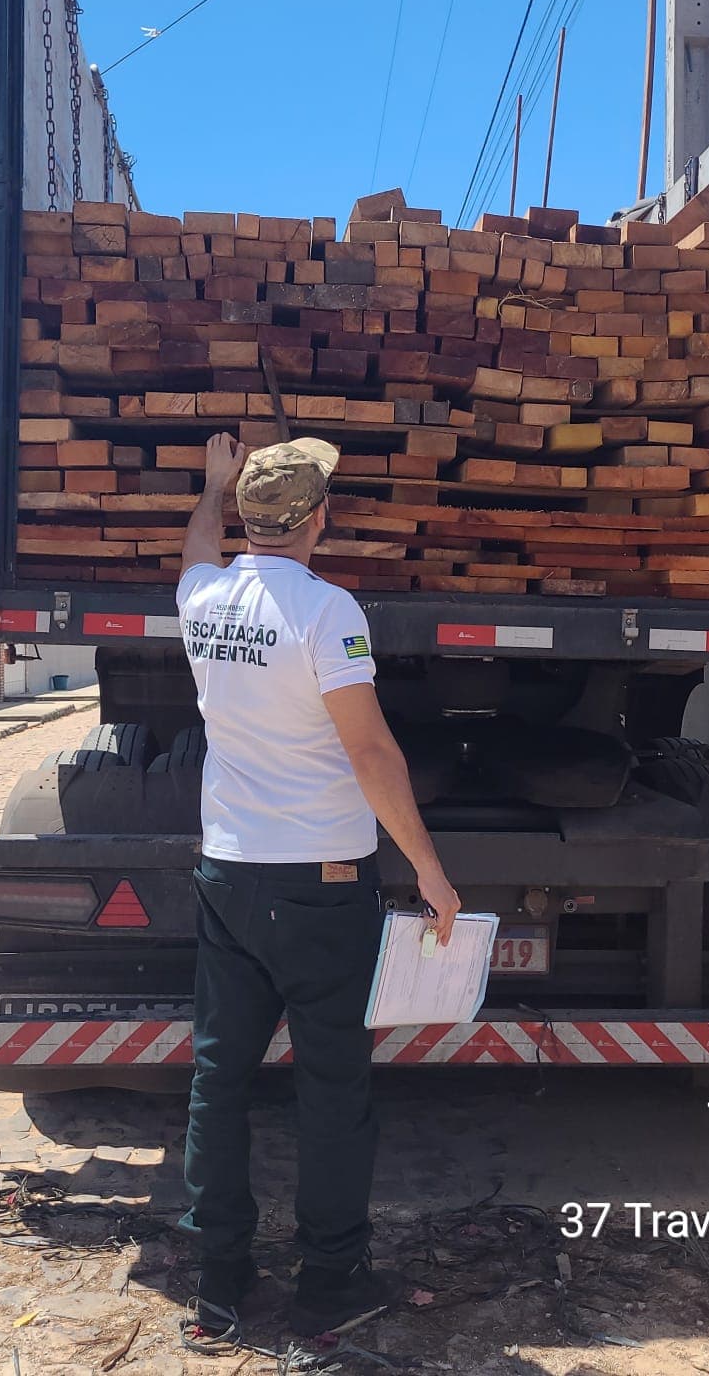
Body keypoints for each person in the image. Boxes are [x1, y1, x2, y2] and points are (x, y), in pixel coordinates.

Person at [175, 431, 461, 1340]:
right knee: (333, 1086)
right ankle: (330, 1284)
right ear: (320, 519)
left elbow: (193, 551)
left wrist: (212, 489)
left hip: (227, 874)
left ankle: (218, 1283)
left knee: (218, 1080)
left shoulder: (203, 597)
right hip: (323, 885)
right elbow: (370, 750)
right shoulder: (328, 610)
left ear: (248, 520)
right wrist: (427, 866)